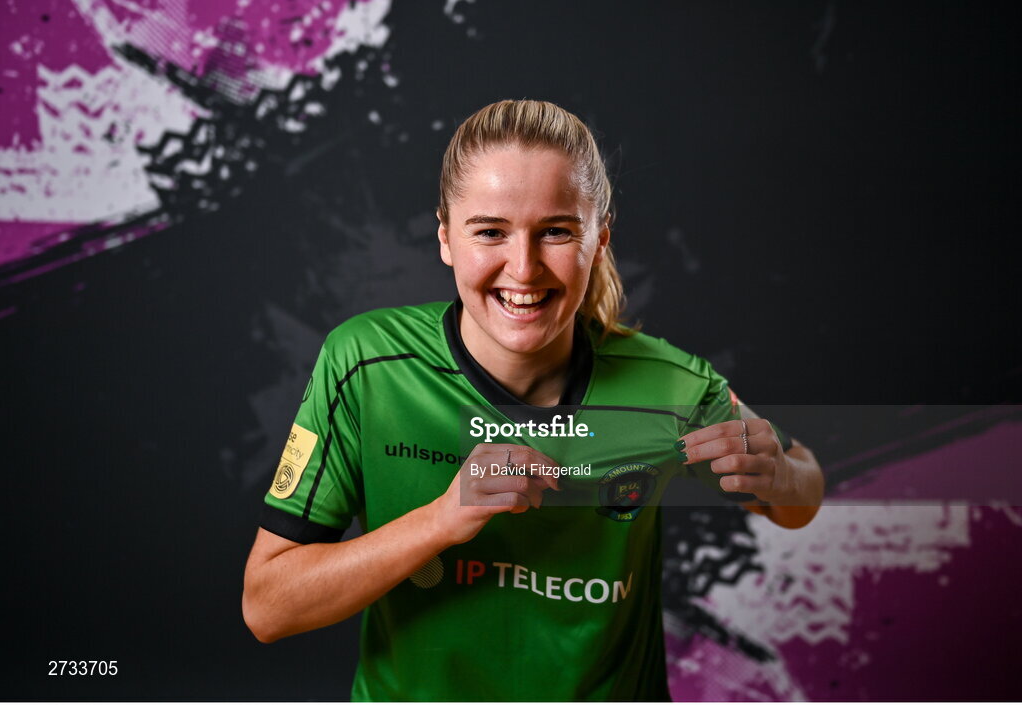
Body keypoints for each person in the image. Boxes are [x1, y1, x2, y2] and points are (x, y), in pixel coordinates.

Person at [241, 99, 824, 701]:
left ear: (598, 240)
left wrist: (776, 475)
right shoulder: (363, 363)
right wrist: (443, 519)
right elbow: (267, 606)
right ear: (445, 237)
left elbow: (801, 492)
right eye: (490, 231)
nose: (523, 269)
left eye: (556, 232)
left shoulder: (673, 386)